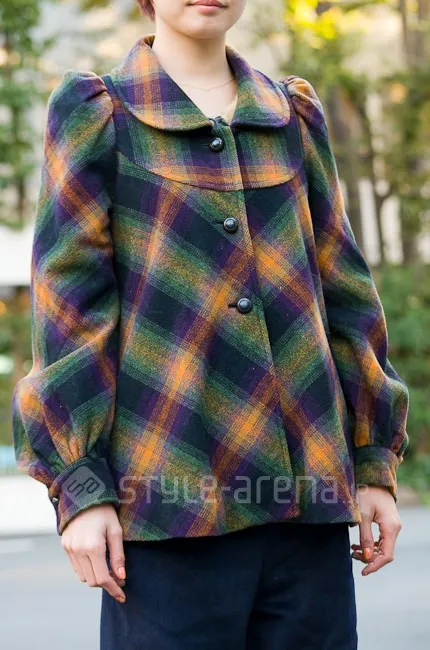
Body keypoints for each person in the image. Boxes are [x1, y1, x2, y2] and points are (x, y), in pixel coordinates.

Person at [12, 0, 410, 648]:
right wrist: (80, 486)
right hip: (166, 503)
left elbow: (345, 291)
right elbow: (69, 307)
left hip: (307, 508)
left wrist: (373, 462)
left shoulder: (292, 115)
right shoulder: (99, 113)